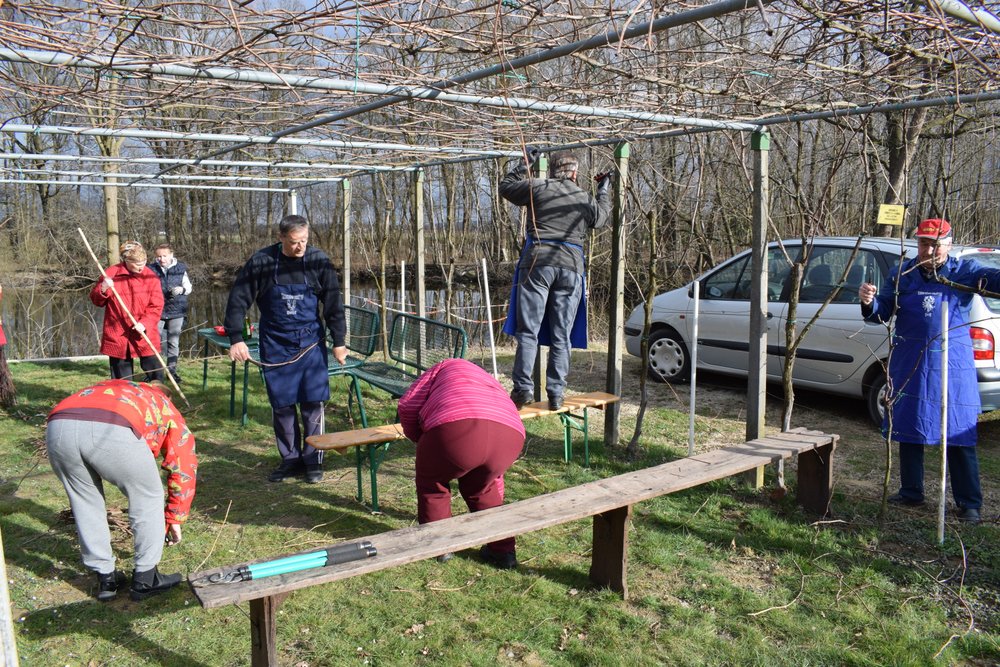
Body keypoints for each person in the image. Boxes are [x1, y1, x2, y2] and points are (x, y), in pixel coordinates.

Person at [860, 218, 1000, 524]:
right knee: (910, 426)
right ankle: (911, 491)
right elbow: (882, 312)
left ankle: (969, 502)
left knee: (959, 433)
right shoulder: (902, 273)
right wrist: (869, 303)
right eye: (924, 243)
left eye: (936, 244)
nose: (929, 249)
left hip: (952, 365)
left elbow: (992, 280)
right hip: (910, 360)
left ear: (949, 244)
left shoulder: (963, 271)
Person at [46, 379, 197, 601]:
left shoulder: (112, 387)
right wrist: (175, 516)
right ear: (168, 397)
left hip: (59, 425)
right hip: (112, 426)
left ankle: (106, 578)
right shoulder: (164, 404)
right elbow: (183, 461)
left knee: (85, 501)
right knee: (147, 496)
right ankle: (146, 578)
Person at [225, 214, 347, 484]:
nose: (300, 247)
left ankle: (314, 459)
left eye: (304, 241)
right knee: (282, 405)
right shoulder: (262, 262)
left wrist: (339, 341)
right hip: (276, 343)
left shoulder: (318, 261)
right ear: (281, 238)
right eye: (294, 242)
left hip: (310, 343)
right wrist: (236, 338)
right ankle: (290, 459)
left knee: (312, 403)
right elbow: (238, 300)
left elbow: (333, 304)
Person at [500, 148, 612, 410]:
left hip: (538, 263)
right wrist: (603, 190)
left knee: (529, 331)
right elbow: (602, 217)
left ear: (552, 171)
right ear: (574, 173)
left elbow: (506, 187)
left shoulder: (538, 187)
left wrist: (525, 163)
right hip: (571, 267)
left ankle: (523, 390)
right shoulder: (583, 197)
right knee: (562, 335)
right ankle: (556, 394)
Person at [396, 358, 526, 569]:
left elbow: (408, 404)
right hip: (510, 434)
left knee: (433, 484)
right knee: (484, 488)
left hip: (455, 427)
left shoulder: (442, 367)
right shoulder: (489, 380)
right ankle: (503, 552)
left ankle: (440, 546)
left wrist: (420, 438)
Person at [90, 241, 165, 382]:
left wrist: (145, 323)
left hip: (143, 331)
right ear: (126, 261)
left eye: (144, 262)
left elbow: (156, 306)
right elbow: (96, 301)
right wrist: (103, 288)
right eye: (137, 263)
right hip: (118, 331)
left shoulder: (150, 277)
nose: (142, 266)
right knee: (121, 377)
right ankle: (123, 400)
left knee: (155, 369)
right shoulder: (111, 273)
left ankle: (158, 396)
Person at [151, 243, 193, 384]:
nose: (161, 259)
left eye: (164, 256)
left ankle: (172, 372)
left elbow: (188, 288)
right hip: (157, 310)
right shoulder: (151, 269)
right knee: (155, 342)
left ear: (171, 255)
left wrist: (180, 289)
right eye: (159, 256)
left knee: (173, 342)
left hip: (177, 311)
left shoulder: (180, 268)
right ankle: (155, 373)